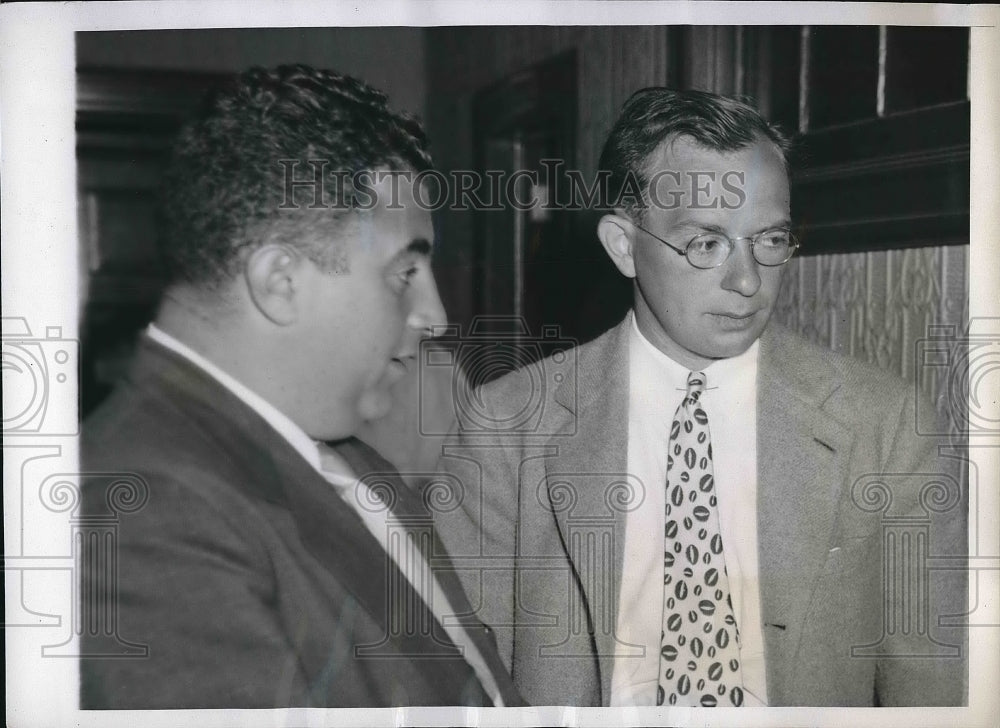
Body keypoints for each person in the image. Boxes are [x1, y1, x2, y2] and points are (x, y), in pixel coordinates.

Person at [436, 88, 967, 707]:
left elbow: (936, 687)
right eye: (706, 243)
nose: (747, 282)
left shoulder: (884, 424)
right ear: (623, 245)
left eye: (769, 240)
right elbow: (462, 684)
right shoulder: (506, 426)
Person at [80, 64, 521, 709]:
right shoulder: (142, 510)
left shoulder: (345, 453)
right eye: (405, 271)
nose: (436, 315)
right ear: (280, 280)